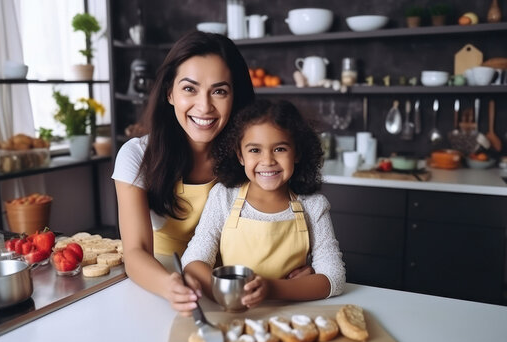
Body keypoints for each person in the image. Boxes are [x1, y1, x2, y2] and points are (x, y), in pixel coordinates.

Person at [111, 30, 255, 316]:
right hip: (162, 285)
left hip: (234, 286)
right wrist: (171, 287)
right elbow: (136, 252)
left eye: (219, 91)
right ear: (170, 92)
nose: (204, 106)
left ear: (234, 97)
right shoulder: (137, 156)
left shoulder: (250, 154)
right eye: (190, 88)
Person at [182, 99, 346, 309]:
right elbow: (193, 261)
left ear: (297, 153)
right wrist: (230, 293)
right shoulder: (223, 197)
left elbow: (334, 278)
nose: (267, 160)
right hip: (232, 310)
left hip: (290, 314)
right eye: (255, 150)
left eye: (279, 149)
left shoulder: (313, 206)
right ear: (240, 155)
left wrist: (271, 289)